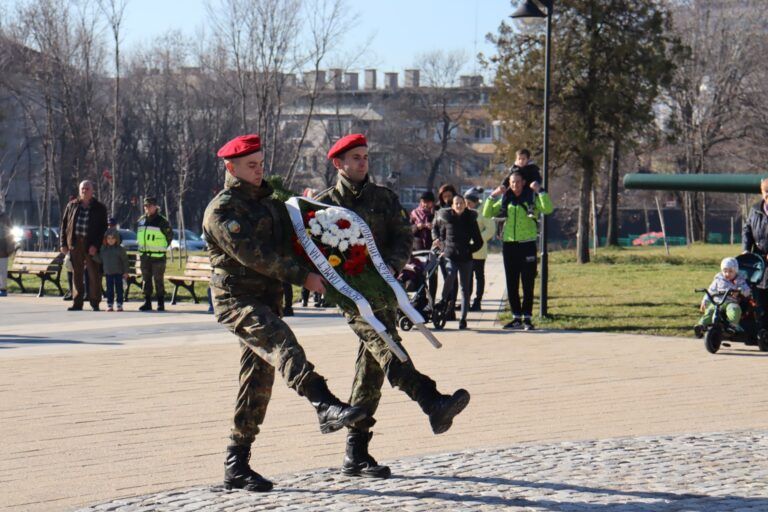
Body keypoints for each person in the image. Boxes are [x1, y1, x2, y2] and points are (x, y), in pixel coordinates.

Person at [203, 134, 367, 493]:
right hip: (236, 300)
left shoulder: (271, 204)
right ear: (231, 168)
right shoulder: (223, 210)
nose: (259, 170)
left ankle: (237, 464)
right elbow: (254, 256)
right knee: (281, 341)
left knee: (257, 380)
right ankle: (323, 403)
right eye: (251, 165)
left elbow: (300, 236)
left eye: (261, 163)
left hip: (267, 299)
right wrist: (302, 276)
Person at [317, 133, 471, 480]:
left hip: (383, 291)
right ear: (338, 164)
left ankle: (356, 454)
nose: (362, 162)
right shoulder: (323, 208)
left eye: (365, 156)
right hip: (350, 296)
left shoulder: (384, 199)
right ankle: (431, 400)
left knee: (371, 370)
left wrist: (388, 266)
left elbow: (403, 237)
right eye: (355, 157)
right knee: (387, 347)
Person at [483, 170, 553, 330]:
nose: (515, 185)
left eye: (518, 182)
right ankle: (516, 317)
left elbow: (548, 209)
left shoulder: (532, 198)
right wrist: (494, 194)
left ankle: (527, 317)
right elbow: (486, 212)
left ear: (523, 183)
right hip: (509, 245)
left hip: (527, 244)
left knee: (527, 282)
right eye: (512, 182)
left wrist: (540, 191)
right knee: (511, 282)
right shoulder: (506, 199)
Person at [432, 195, 483, 329]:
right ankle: (443, 300)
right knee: (450, 275)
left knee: (465, 289)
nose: (459, 206)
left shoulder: (471, 219)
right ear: (452, 205)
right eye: (456, 203)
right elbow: (437, 230)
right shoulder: (446, 217)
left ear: (465, 205)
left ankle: (463, 318)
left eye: (461, 203)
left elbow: (479, 242)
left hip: (465, 258)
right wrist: (440, 244)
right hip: (450, 255)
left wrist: (468, 250)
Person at [59, 180, 108, 311]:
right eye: (82, 189)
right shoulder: (72, 205)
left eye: (87, 188)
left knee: (94, 274)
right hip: (75, 244)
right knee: (77, 274)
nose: (84, 191)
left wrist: (96, 246)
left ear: (92, 191)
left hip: (91, 244)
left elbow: (103, 229)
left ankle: (95, 302)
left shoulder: (100, 207)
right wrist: (63, 244)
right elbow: (64, 226)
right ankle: (77, 302)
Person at [694, 257, 750, 338]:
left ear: (735, 271)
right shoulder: (718, 279)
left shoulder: (739, 279)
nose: (727, 274)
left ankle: (732, 326)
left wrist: (739, 291)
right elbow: (710, 290)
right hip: (717, 302)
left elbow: (747, 290)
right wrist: (705, 300)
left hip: (731, 302)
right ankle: (701, 326)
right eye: (725, 271)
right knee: (709, 311)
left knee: (735, 310)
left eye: (730, 271)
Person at [136, 197, 173, 312]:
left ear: (155, 206)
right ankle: (147, 302)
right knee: (146, 280)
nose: (147, 208)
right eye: (146, 206)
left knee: (158, 280)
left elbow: (169, 236)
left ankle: (160, 303)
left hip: (158, 256)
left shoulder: (162, 221)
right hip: (145, 255)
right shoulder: (141, 220)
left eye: (150, 205)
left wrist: (162, 247)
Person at [742, 177, 768, 328]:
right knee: (759, 298)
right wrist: (746, 249)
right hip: (759, 261)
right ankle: (762, 333)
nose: (767, 195)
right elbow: (747, 230)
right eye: (765, 192)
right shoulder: (755, 210)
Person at [464, 191, 496, 312]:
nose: (467, 205)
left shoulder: (484, 211)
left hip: (479, 250)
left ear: (476, 202)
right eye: (465, 203)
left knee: (479, 276)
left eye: (469, 203)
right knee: (467, 277)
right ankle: (466, 301)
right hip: (467, 249)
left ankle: (477, 301)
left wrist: (477, 238)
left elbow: (491, 229)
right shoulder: (466, 211)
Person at [409, 191, 438, 301]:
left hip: (433, 249)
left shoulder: (436, 214)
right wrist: (417, 227)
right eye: (423, 202)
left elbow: (441, 229)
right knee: (419, 275)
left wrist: (433, 228)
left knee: (433, 276)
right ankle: (420, 299)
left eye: (428, 202)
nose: (425, 205)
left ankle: (432, 300)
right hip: (418, 249)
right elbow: (408, 230)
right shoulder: (414, 213)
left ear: (432, 203)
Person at [498, 148, 542, 218]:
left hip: (528, 187)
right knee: (506, 193)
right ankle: (503, 210)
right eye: (519, 159)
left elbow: (538, 178)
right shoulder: (515, 168)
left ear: (528, 159)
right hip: (516, 187)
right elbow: (508, 178)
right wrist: (504, 185)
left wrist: (535, 183)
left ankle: (530, 208)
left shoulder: (532, 168)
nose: (521, 161)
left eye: (523, 159)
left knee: (530, 193)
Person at [97, 229, 130, 312]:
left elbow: (125, 261)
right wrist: (93, 256)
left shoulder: (120, 249)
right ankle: (110, 304)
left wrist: (126, 272)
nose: (111, 240)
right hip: (108, 273)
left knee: (119, 289)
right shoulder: (104, 249)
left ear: (116, 239)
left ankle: (119, 304)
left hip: (119, 273)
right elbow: (100, 259)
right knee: (109, 290)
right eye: (108, 238)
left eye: (113, 238)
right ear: (106, 239)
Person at [0, 208, 16, 296]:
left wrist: (10, 247)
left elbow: (10, 233)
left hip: (3, 249)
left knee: (2, 270)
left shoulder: (5, 217)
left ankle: (3, 289)